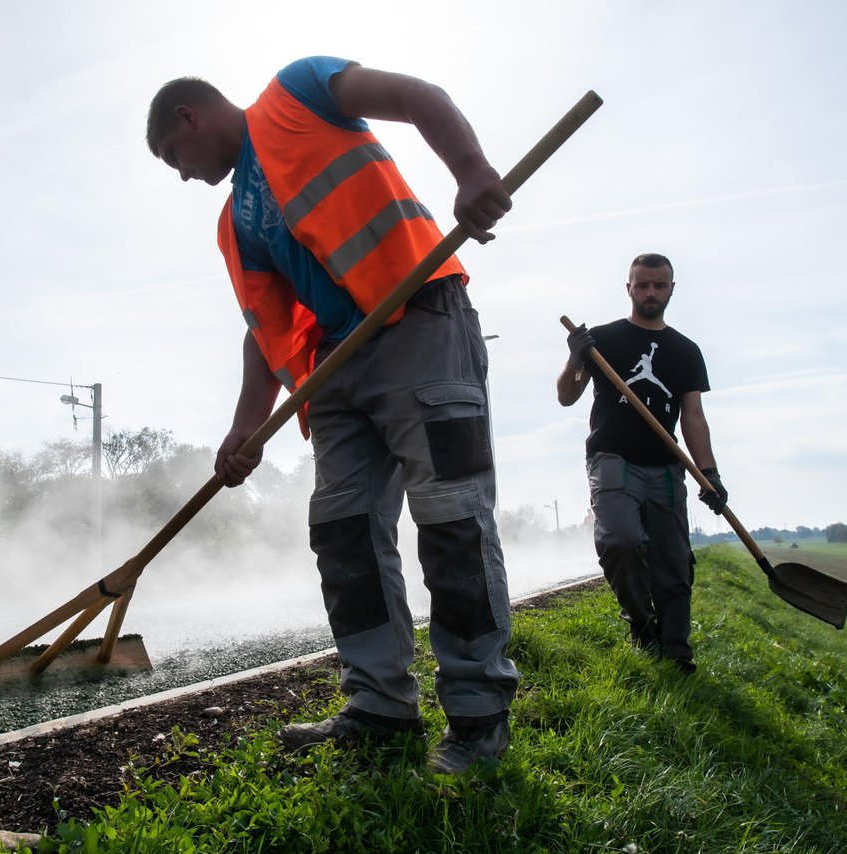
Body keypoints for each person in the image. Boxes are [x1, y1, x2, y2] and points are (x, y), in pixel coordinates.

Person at [147, 57, 520, 774]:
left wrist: (471, 170)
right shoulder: (236, 219)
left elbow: (418, 95)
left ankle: (478, 716)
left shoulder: (299, 91)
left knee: (451, 519)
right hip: (338, 371)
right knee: (343, 531)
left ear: (190, 118)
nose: (185, 175)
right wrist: (244, 429)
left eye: (175, 157)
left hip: (420, 322)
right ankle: (380, 707)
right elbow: (267, 328)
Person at [555, 253, 728, 672]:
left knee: (673, 560)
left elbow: (692, 417)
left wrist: (709, 474)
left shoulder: (686, 351)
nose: (651, 292)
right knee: (620, 541)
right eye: (643, 284)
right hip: (612, 458)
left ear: (671, 289)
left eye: (660, 285)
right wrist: (576, 359)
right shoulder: (601, 340)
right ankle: (640, 621)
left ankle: (676, 649)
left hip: (666, 466)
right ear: (629, 288)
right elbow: (566, 395)